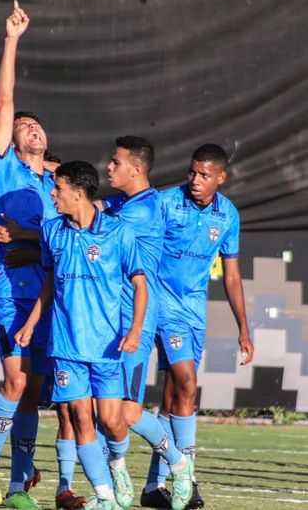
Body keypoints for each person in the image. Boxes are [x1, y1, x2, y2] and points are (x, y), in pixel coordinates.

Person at [15, 161, 148, 510]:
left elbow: (139, 283)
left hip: (106, 344)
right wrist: (30, 323)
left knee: (112, 421)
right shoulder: (52, 231)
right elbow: (49, 282)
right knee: (79, 415)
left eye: (57, 188)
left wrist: (134, 330)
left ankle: (117, 464)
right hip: (65, 344)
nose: (52, 194)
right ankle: (104, 496)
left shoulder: (119, 233)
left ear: (78, 191)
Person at [0, 1, 59, 510]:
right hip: (13, 288)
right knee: (15, 379)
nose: (31, 128)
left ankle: (19, 482)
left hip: (49, 294)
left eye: (36, 126)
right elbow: (5, 100)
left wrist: (29, 238)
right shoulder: (6, 168)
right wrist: (12, 40)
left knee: (34, 392)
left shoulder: (56, 184)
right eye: (23, 125)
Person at [141, 144, 255, 509]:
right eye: (192, 172)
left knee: (175, 396)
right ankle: (185, 479)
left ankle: (152, 488)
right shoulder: (165, 202)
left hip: (194, 310)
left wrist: (244, 329)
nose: (195, 180)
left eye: (204, 175)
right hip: (162, 306)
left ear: (221, 178)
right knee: (188, 383)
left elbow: (232, 277)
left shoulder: (228, 215)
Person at [99, 136, 193, 510]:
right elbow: (98, 206)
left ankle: (179, 464)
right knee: (103, 411)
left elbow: (92, 225)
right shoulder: (127, 201)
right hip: (106, 320)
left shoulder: (142, 211)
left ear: (135, 169)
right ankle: (115, 484)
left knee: (128, 412)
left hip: (132, 322)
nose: (109, 167)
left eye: (115, 162)